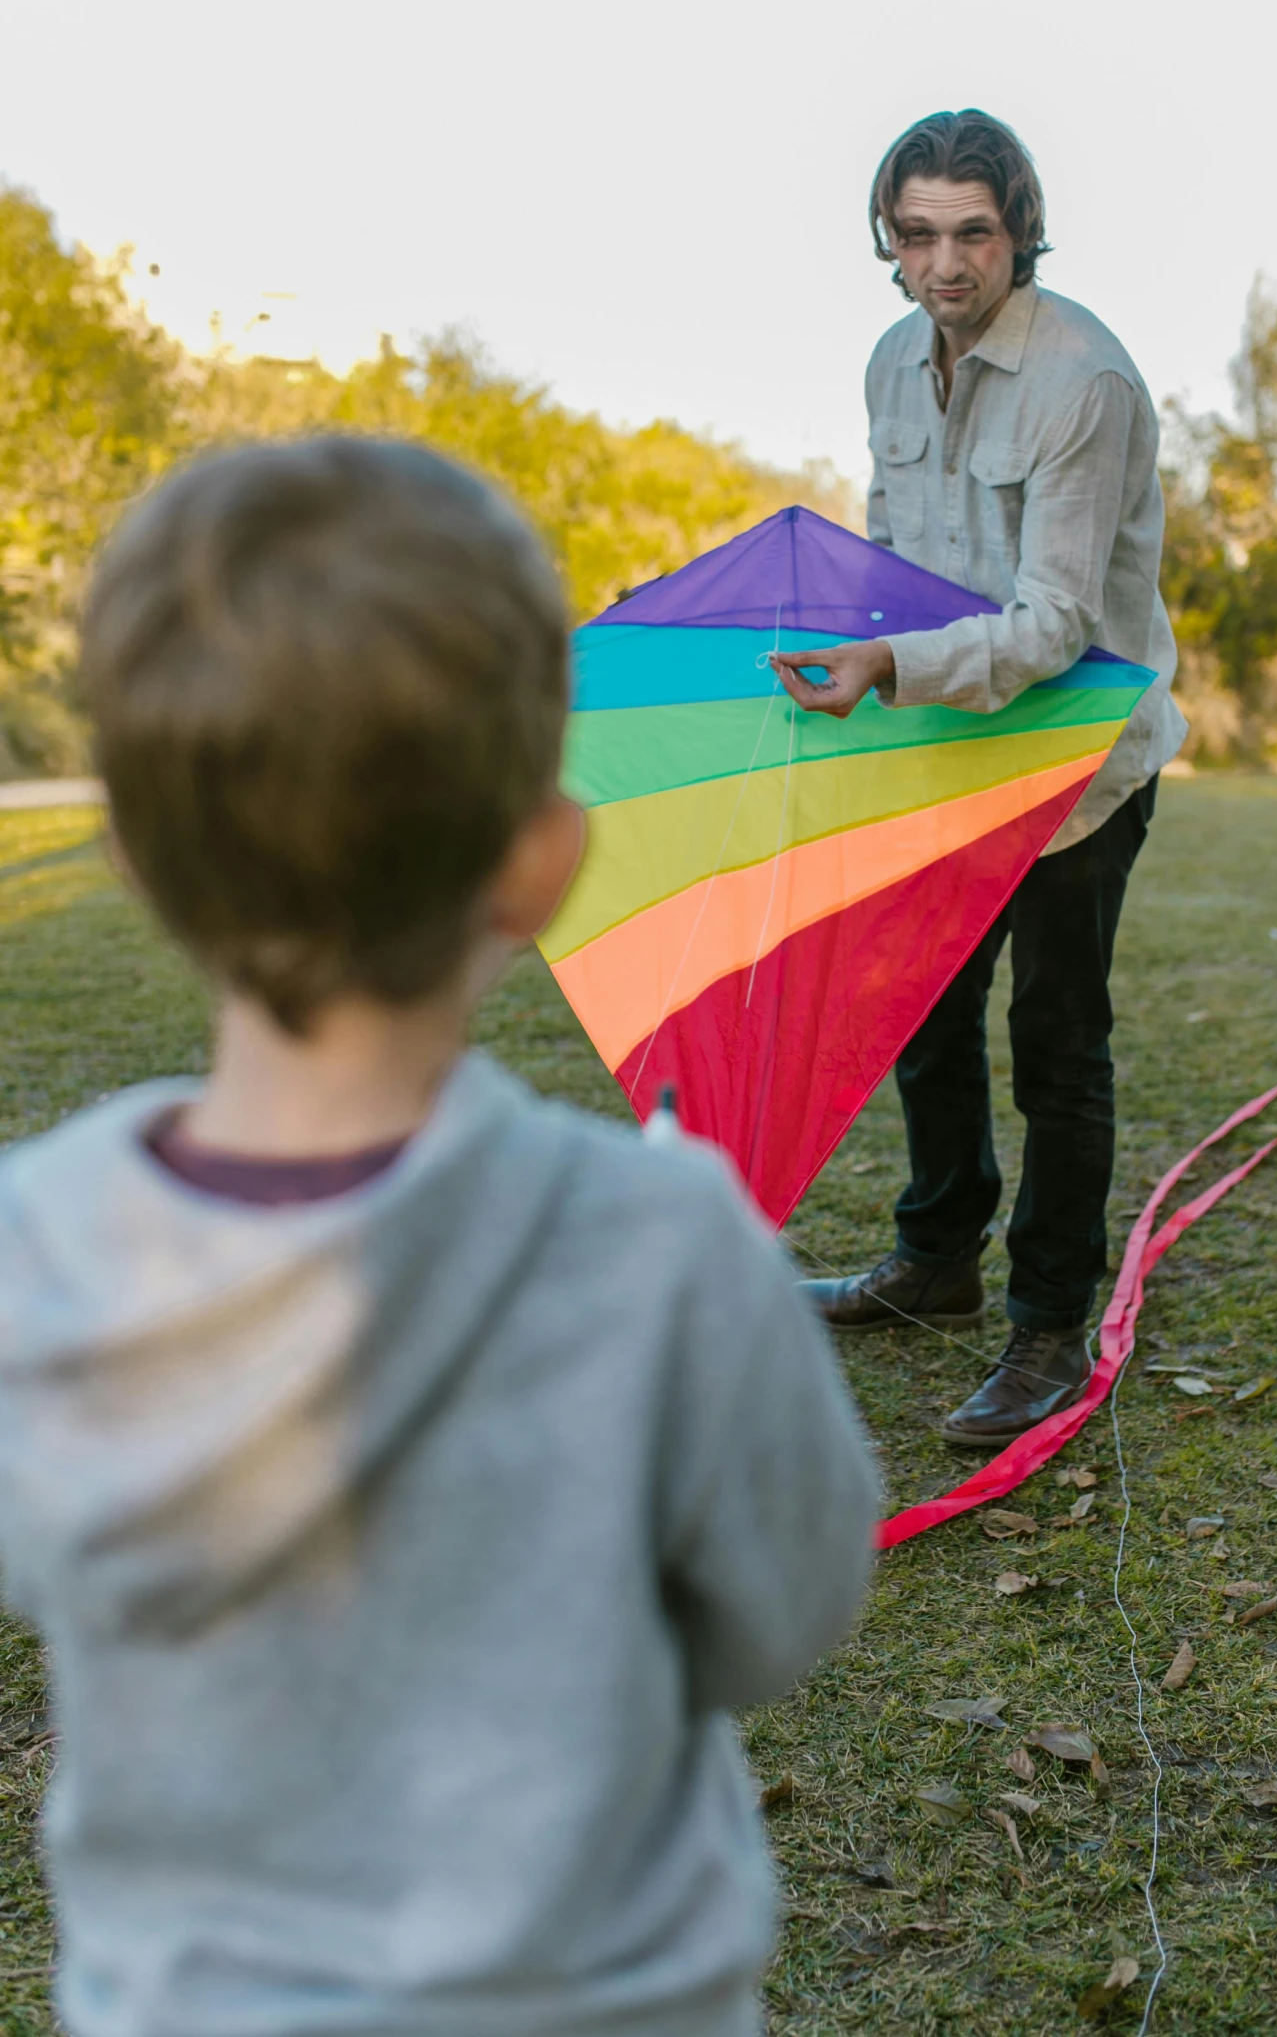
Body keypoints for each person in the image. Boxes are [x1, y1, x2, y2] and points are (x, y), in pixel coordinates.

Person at [0, 438, 876, 2037]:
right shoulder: (671, 1243)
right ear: (540, 862)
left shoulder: (34, 1250)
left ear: (130, 856)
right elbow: (787, 1605)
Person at [776, 108, 1185, 1450]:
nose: (941, 264)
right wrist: (849, 642)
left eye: (970, 233)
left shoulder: (1085, 381)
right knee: (922, 1012)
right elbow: (897, 542)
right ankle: (935, 1258)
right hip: (944, 744)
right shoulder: (893, 360)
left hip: (1077, 763)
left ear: (1018, 232)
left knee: (1055, 1049)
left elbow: (1053, 622)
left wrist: (886, 662)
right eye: (914, 234)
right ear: (886, 239)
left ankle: (1046, 1327)